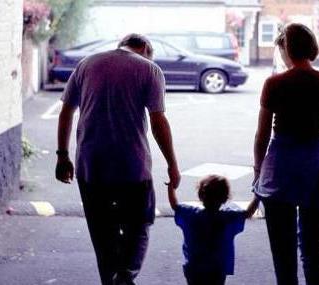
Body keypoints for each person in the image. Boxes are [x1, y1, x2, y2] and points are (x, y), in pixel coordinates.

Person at [55, 33, 180, 285]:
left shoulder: (86, 64)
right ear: (145, 48)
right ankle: (125, 277)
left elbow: (67, 111)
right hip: (132, 167)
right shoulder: (150, 69)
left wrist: (62, 156)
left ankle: (111, 281)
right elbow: (158, 122)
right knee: (139, 227)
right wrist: (172, 164)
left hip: (91, 166)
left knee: (102, 235)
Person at [253, 23, 319, 285]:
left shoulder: (274, 84)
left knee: (283, 255)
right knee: (312, 250)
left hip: (280, 168)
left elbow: (262, 135)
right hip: (316, 168)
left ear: (286, 48)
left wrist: (257, 172)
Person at [167, 175, 259, 285]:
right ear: (225, 198)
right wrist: (257, 194)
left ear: (201, 195)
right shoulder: (227, 217)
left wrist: (171, 187)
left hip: (194, 266)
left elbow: (175, 206)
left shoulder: (191, 214)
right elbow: (248, 213)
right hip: (217, 267)